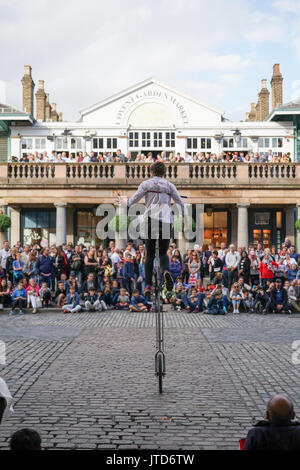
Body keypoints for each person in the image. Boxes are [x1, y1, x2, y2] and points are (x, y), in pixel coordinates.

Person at [117, 161, 186, 299]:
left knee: (149, 255)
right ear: (164, 173)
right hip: (166, 221)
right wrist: (184, 218)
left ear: (152, 172)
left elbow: (133, 201)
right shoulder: (169, 185)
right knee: (163, 254)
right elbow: (180, 202)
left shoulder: (146, 184)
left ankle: (148, 284)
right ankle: (166, 272)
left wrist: (122, 200)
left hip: (151, 220)